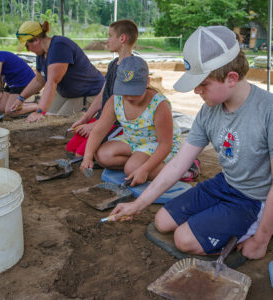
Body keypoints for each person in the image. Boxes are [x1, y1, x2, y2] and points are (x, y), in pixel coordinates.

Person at [109, 25, 273, 260]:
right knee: (162, 221)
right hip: (225, 184)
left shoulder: (268, 111)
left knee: (184, 239)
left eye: (203, 84)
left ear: (231, 78)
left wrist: (261, 240)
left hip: (254, 198)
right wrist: (138, 205)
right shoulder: (209, 111)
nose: (197, 91)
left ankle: (256, 227)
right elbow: (177, 165)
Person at [80, 56, 182, 187]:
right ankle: (139, 163)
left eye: (134, 92)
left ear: (147, 82)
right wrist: (87, 156)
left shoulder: (159, 104)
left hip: (156, 143)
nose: (129, 97)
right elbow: (99, 130)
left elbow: (165, 144)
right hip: (133, 139)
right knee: (101, 156)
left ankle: (181, 168)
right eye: (124, 91)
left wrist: (144, 169)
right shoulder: (115, 101)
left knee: (132, 168)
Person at [66, 19, 139, 157]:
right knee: (71, 148)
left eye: (110, 36)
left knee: (80, 154)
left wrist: (97, 125)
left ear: (122, 38)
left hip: (117, 122)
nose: (107, 40)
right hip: (103, 118)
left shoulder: (132, 68)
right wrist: (86, 119)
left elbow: (125, 104)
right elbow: (102, 95)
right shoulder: (113, 64)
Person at [14, 21, 105, 122]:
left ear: (36, 40)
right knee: (47, 116)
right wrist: (20, 98)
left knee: (55, 120)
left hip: (88, 93)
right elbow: (39, 81)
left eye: (27, 46)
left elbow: (52, 81)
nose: (28, 50)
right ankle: (37, 106)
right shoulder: (41, 54)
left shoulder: (59, 46)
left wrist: (40, 111)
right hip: (67, 94)